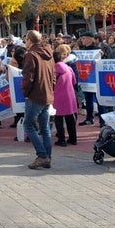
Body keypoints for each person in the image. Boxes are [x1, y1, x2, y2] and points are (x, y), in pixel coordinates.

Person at [22, 30, 56, 169]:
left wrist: (25, 92)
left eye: (26, 40)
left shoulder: (31, 54)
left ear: (29, 40)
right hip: (47, 93)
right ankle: (47, 157)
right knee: (45, 128)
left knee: (28, 125)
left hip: (36, 95)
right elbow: (54, 75)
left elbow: (28, 77)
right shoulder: (49, 53)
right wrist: (51, 88)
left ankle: (42, 155)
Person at [53, 45, 77, 146]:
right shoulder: (68, 68)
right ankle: (73, 139)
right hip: (69, 95)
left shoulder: (53, 70)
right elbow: (74, 81)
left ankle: (61, 140)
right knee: (70, 118)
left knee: (58, 119)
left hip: (57, 96)